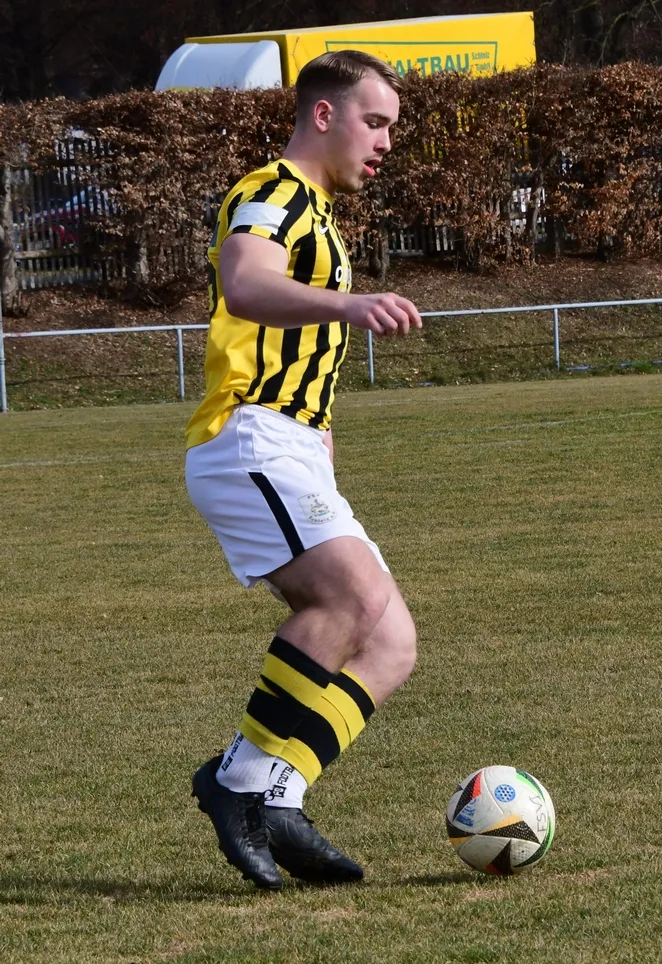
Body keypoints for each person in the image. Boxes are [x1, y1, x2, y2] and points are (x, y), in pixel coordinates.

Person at [185, 50, 422, 890]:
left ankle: (281, 796)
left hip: (294, 444)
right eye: (375, 121)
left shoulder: (318, 213)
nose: (385, 141)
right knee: (348, 599)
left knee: (391, 641)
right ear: (324, 114)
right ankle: (239, 781)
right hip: (248, 436)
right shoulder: (272, 191)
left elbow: (301, 349)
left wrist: (323, 439)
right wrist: (352, 304)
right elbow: (246, 284)